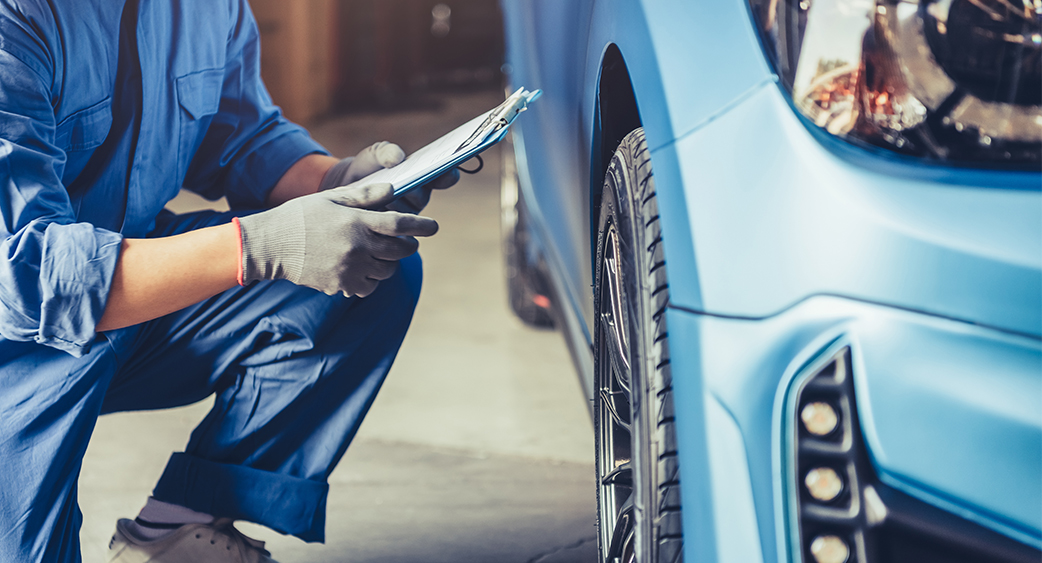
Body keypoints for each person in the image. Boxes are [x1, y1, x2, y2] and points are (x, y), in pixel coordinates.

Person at [0, 0, 460, 562]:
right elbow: (29, 274)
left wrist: (338, 181)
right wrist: (258, 246)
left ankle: (175, 534)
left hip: (127, 302)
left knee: (372, 271)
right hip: (18, 346)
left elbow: (243, 137)